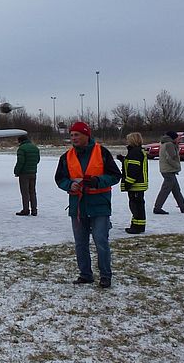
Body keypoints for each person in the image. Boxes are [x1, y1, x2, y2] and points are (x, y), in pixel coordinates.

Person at [55, 122, 121, 288]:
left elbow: (115, 175)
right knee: (80, 243)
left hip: (99, 205)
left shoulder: (102, 152)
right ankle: (85, 274)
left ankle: (105, 275)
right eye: (71, 135)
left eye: (77, 135)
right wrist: (69, 185)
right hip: (78, 206)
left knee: (101, 240)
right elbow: (59, 179)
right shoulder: (66, 157)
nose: (73, 138)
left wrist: (97, 181)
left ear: (86, 135)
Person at [152, 131, 184, 215]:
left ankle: (183, 206)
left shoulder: (165, 143)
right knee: (165, 190)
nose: (179, 138)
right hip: (169, 170)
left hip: (167, 170)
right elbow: (171, 157)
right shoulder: (169, 144)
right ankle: (157, 208)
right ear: (173, 137)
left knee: (176, 190)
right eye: (177, 137)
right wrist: (177, 166)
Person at [116, 132, 148, 234]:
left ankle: (137, 227)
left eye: (128, 139)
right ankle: (137, 225)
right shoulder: (138, 151)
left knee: (136, 206)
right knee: (137, 205)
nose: (127, 141)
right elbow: (132, 165)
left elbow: (134, 169)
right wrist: (123, 160)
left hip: (136, 185)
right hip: (139, 184)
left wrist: (128, 182)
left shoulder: (134, 152)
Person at [14, 134, 40, 216]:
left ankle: (26, 210)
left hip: (24, 173)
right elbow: (37, 160)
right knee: (32, 192)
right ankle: (34, 210)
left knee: (25, 192)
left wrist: (16, 171)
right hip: (33, 172)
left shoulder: (21, 149)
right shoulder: (35, 148)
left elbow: (20, 162)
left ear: (20, 141)